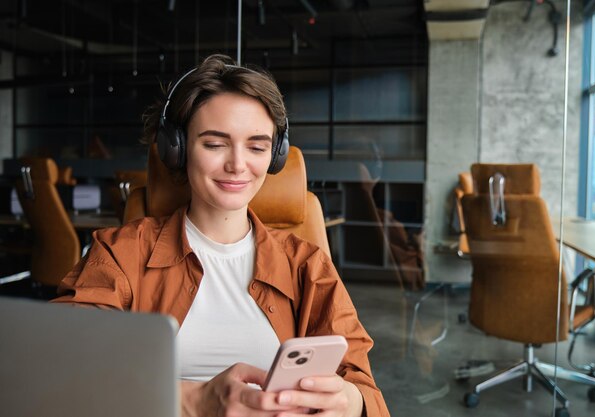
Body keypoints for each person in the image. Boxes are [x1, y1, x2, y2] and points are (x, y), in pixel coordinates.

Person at [52, 54, 390, 417]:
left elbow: (365, 389)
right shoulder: (121, 253)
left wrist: (349, 402)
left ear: (274, 156)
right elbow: (59, 367)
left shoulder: (306, 264)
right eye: (214, 144)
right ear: (177, 149)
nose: (238, 164)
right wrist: (190, 400)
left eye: (257, 147)